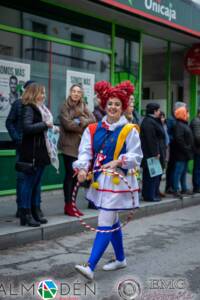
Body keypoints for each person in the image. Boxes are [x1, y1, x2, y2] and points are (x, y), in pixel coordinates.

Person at [73, 80, 143, 280]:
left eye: (117, 104)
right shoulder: (93, 128)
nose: (113, 107)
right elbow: (85, 151)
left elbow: (136, 156)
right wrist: (81, 168)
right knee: (111, 219)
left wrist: (118, 161)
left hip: (119, 182)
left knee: (105, 219)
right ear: (104, 105)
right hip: (99, 181)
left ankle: (90, 265)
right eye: (110, 103)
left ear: (122, 107)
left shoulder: (130, 130)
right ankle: (120, 259)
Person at [19, 83, 56, 226]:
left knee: (35, 184)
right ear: (34, 94)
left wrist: (51, 128)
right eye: (41, 93)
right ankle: (25, 214)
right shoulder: (29, 108)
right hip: (31, 152)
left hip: (40, 151)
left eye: (44, 93)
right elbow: (26, 128)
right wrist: (45, 125)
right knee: (28, 184)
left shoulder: (41, 109)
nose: (44, 95)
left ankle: (34, 211)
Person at [58, 84, 95, 217]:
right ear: (70, 92)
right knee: (70, 176)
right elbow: (68, 125)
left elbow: (93, 120)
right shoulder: (65, 106)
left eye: (78, 92)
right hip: (68, 146)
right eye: (73, 91)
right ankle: (68, 205)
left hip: (80, 147)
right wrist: (82, 125)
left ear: (81, 94)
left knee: (77, 177)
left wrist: (80, 120)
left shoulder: (83, 106)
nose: (76, 94)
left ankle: (72, 204)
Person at [6, 80, 35, 217]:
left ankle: (33, 207)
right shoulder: (18, 103)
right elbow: (9, 122)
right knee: (22, 178)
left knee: (35, 179)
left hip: (35, 148)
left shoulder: (39, 106)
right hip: (22, 147)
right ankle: (21, 207)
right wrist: (17, 138)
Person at [140, 103, 166, 202]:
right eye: (158, 110)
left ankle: (151, 194)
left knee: (151, 175)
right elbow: (151, 139)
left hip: (151, 153)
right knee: (151, 176)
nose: (160, 112)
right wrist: (155, 153)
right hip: (151, 154)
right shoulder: (149, 122)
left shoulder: (151, 121)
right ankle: (150, 196)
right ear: (154, 111)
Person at [172, 106, 194, 198]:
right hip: (181, 153)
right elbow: (179, 139)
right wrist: (187, 148)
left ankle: (184, 188)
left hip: (184, 153)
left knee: (184, 171)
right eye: (187, 112)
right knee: (178, 172)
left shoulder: (183, 124)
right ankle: (176, 189)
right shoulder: (179, 125)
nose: (188, 115)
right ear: (183, 114)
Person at [190, 108, 200, 193]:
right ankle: (197, 187)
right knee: (197, 169)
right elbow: (197, 137)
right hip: (197, 150)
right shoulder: (196, 122)